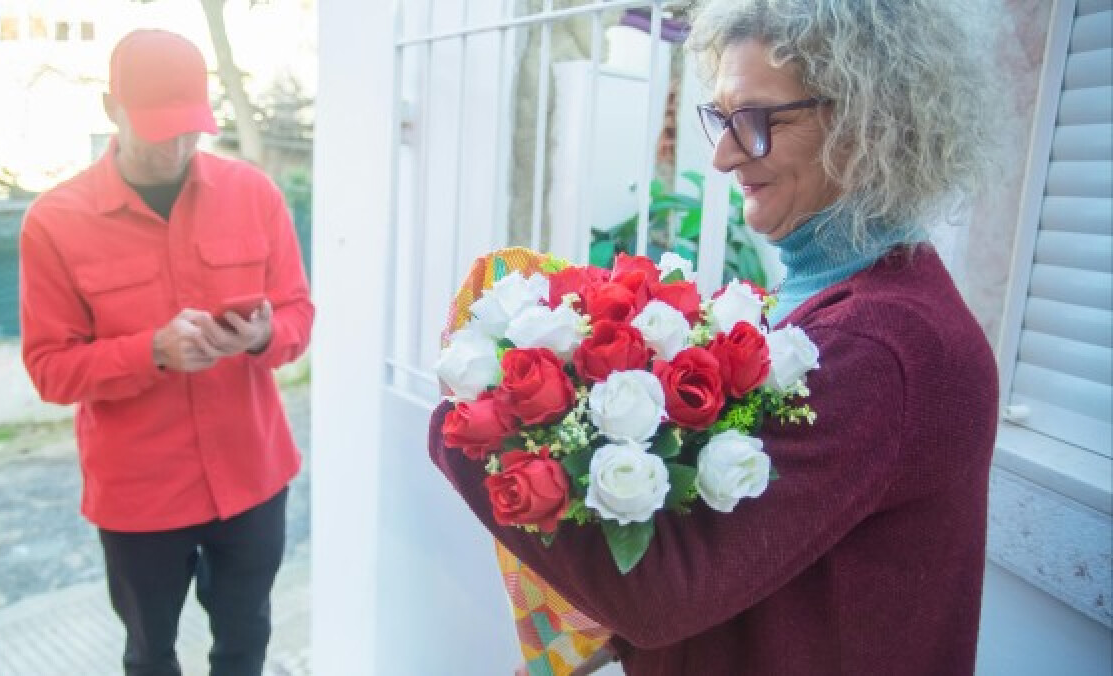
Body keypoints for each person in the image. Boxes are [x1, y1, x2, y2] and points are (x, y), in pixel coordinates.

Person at [429, 1, 1003, 674]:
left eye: (756, 121)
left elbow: (664, 594)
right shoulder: (833, 301)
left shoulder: (883, 349)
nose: (725, 156)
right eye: (723, 118)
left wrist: (471, 419)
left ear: (865, 122)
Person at [19, 29, 313, 676]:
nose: (176, 148)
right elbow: (50, 370)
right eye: (158, 130)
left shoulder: (255, 195)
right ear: (109, 109)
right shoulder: (54, 222)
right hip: (139, 495)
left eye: (190, 129)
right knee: (149, 655)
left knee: (246, 644)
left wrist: (261, 335)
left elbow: (297, 313)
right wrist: (148, 351)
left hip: (253, 476)